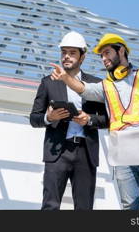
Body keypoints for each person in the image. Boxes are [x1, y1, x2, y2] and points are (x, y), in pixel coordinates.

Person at [50, 33, 139, 210]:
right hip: (122, 149)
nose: (104, 58)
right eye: (101, 55)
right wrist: (66, 78)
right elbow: (84, 89)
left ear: (121, 51)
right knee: (129, 206)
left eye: (107, 53)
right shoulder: (106, 86)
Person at [30, 31, 108, 210]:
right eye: (64, 52)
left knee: (84, 208)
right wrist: (49, 118)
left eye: (72, 53)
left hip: (85, 153)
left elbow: (108, 120)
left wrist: (89, 119)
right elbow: (34, 118)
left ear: (83, 56)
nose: (67, 56)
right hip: (57, 152)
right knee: (50, 206)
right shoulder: (48, 82)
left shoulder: (96, 85)